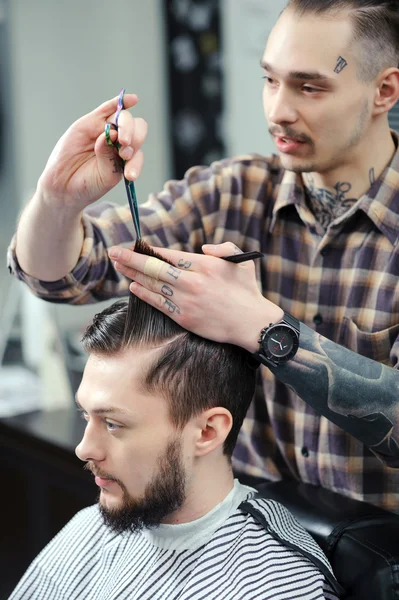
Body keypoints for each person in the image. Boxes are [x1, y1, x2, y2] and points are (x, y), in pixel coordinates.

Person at [7, 0, 399, 512]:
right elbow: (62, 276)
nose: (278, 109)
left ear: (384, 91)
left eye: (309, 86)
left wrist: (263, 329)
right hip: (256, 547)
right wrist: (57, 200)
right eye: (269, 80)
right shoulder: (232, 192)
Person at [9, 263, 341, 600]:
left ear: (207, 432)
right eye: (86, 415)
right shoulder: (92, 526)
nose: (84, 449)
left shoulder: (274, 587)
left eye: (113, 423)